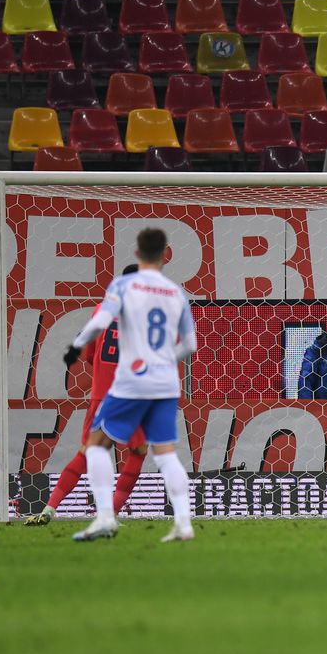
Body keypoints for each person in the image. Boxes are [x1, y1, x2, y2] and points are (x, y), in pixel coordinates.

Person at [62, 228, 198, 543]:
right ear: (164, 258)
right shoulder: (173, 292)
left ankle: (105, 518)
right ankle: (183, 524)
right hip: (163, 384)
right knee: (165, 455)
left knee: (96, 445)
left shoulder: (123, 287)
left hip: (131, 383)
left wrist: (75, 346)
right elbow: (189, 343)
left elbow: (98, 324)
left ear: (138, 254)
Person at [25, 265, 148, 526]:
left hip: (101, 398)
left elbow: (90, 355)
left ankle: (50, 507)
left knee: (85, 454)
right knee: (137, 452)